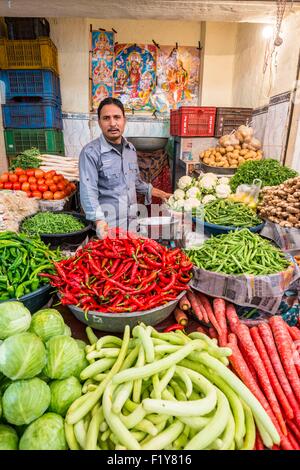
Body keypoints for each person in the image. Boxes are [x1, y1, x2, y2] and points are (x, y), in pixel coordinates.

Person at [79, 97, 171, 238]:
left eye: (117, 117)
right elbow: (88, 191)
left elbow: (135, 183)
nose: (112, 123)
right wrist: (100, 223)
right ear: (99, 122)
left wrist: (162, 194)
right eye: (106, 118)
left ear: (124, 120)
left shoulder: (130, 149)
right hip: (108, 228)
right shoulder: (90, 152)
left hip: (133, 225)